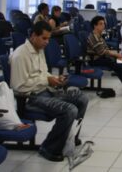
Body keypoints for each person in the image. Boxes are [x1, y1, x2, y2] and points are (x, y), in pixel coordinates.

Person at [10, 21, 89, 162]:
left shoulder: (39, 50)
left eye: (48, 39)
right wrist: (47, 81)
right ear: (34, 36)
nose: (47, 42)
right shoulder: (20, 55)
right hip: (30, 98)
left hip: (45, 91)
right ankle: (49, 148)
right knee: (69, 109)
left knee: (81, 98)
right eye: (44, 38)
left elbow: (44, 73)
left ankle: (71, 137)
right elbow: (19, 86)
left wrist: (55, 79)